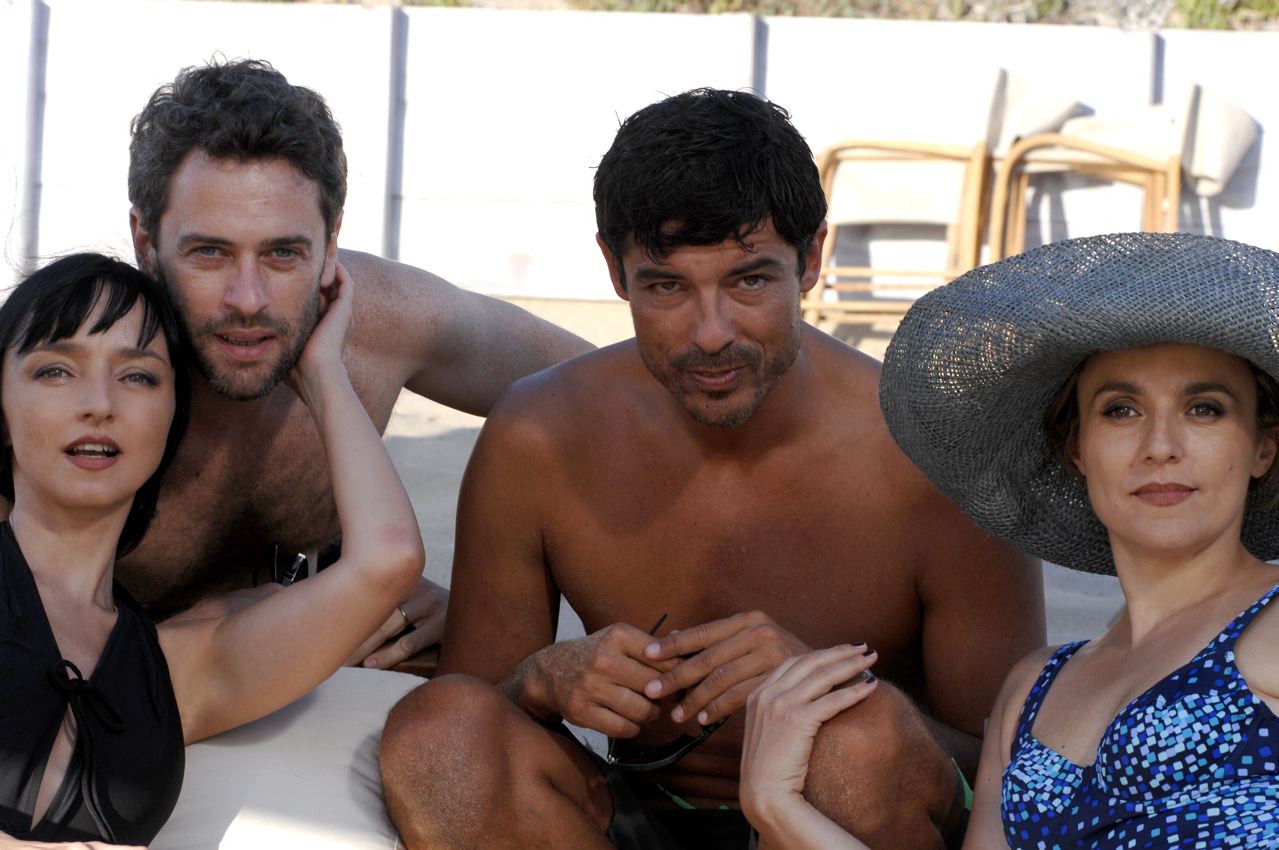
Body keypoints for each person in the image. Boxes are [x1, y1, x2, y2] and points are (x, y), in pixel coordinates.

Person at [377, 88, 1044, 850]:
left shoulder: (934, 452)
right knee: (437, 734)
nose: (710, 334)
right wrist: (542, 679)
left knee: (853, 744)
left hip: (845, 824)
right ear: (615, 271)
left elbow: (1018, 766)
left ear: (812, 258)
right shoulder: (539, 436)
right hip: (629, 814)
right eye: (666, 286)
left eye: (749, 280)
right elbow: (480, 705)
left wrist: (824, 690)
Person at [740, 231, 1279, 848]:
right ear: (1077, 449)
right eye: (1120, 410)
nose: (1160, 445)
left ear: (1262, 447)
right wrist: (775, 806)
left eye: (1204, 408)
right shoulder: (1033, 689)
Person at [113, 58, 590, 667]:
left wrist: (483, 608)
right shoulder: (67, 375)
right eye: (209, 252)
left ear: (331, 240)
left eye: (283, 253)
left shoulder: (383, 318)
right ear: (146, 243)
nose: (248, 299)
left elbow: (616, 392)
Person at [0, 252, 422, 847]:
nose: (99, 403)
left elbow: (387, 559)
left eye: (138, 376)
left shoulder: (175, 673)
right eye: (55, 371)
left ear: (172, 416)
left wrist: (322, 370)